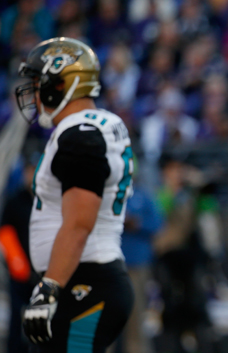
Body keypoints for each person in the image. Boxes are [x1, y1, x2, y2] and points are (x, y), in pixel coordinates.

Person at [15, 37, 134, 352]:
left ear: (60, 83)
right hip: (86, 279)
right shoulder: (100, 124)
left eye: (39, 83)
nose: (35, 92)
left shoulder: (80, 136)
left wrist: (49, 287)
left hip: (85, 281)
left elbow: (80, 223)